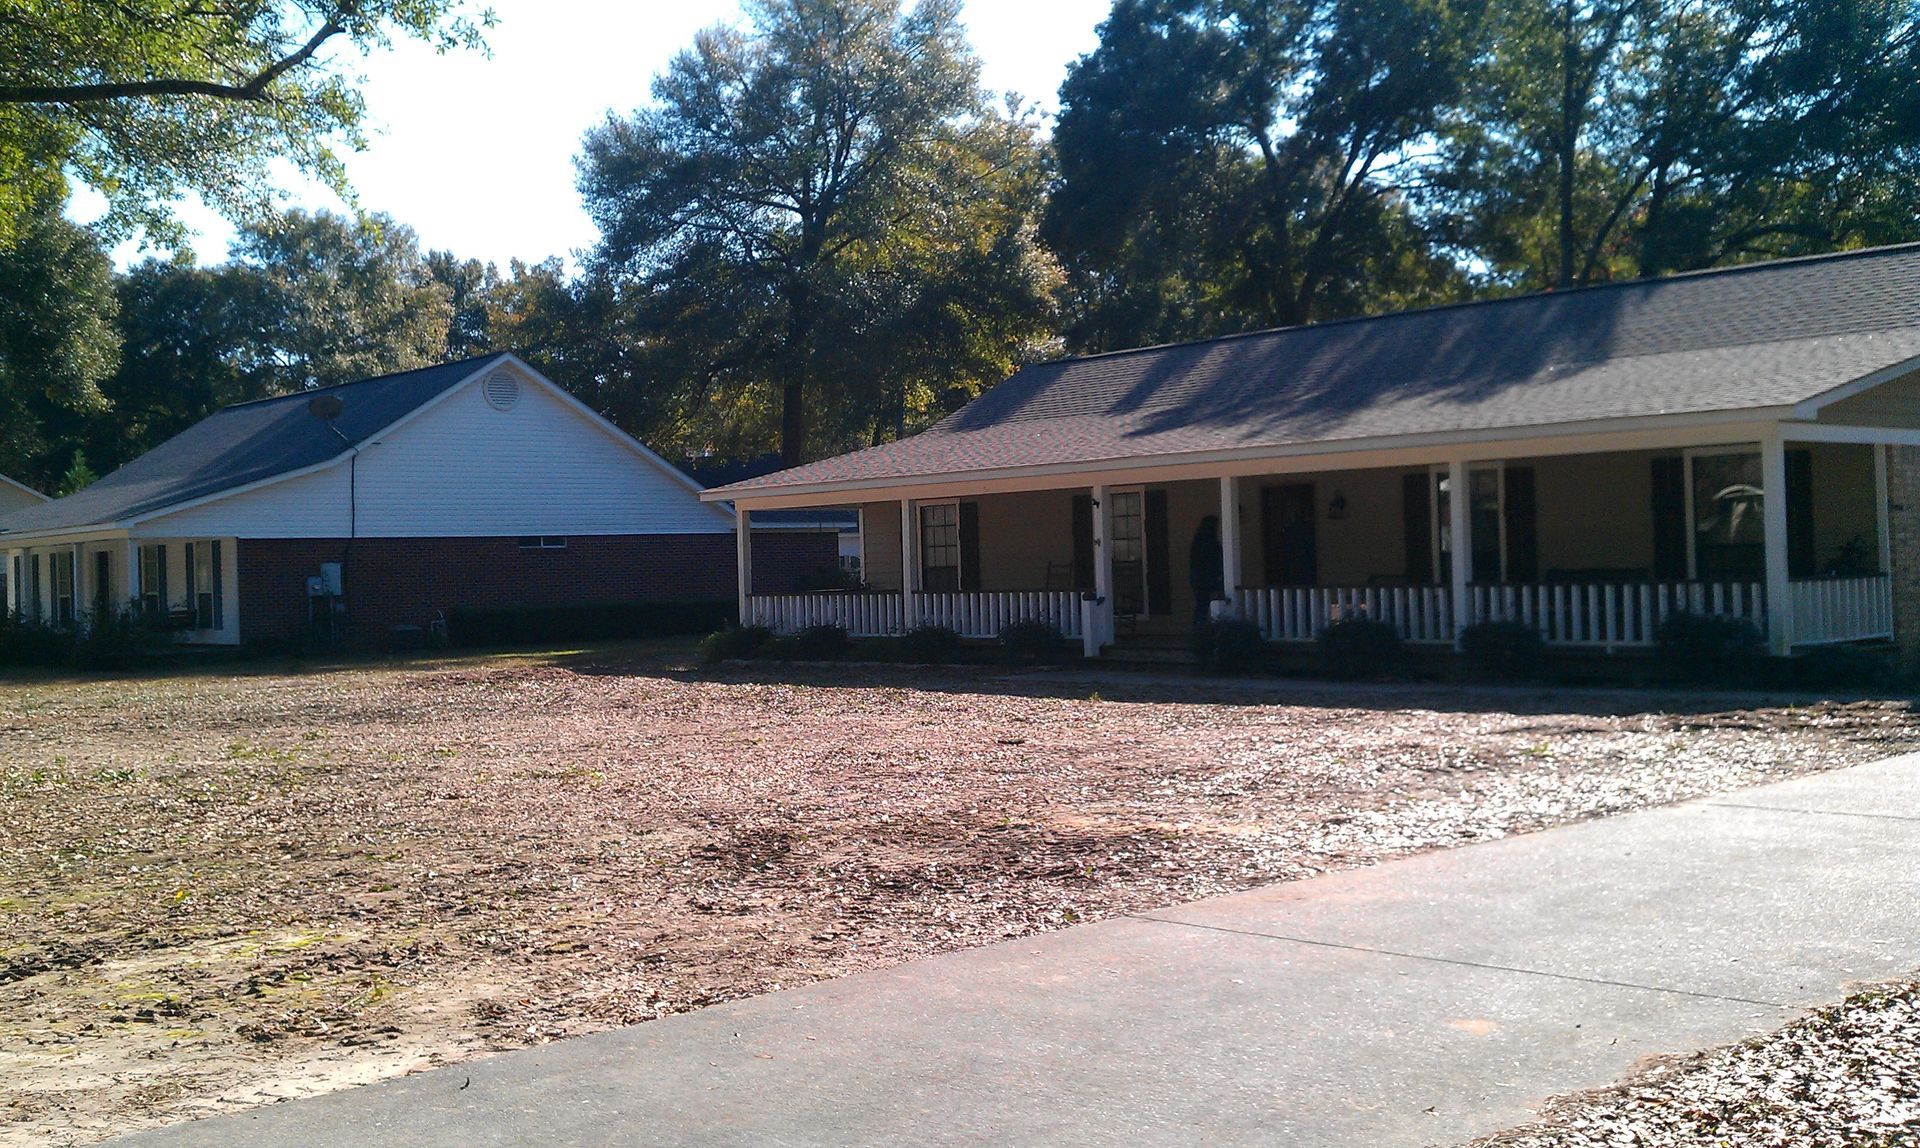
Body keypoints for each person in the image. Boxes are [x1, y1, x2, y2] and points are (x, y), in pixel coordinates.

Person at [1189, 515, 1224, 625]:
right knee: (1204, 605)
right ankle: (1206, 630)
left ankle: (1200, 631)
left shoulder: (1197, 540)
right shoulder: (1211, 542)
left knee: (1201, 606)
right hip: (1206, 578)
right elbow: (1215, 561)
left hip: (1197, 578)